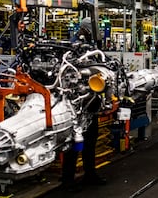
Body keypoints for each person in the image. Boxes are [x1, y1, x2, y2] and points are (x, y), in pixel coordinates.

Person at [60, 17, 107, 191]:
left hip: (89, 102)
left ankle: (90, 174)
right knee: (74, 142)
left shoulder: (91, 46)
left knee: (90, 140)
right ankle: (67, 179)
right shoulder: (75, 47)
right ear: (87, 29)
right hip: (75, 104)